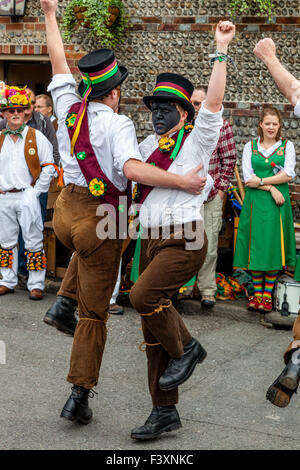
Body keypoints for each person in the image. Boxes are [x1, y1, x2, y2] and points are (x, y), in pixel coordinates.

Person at [41, 0, 207, 426]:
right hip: (99, 219)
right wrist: (184, 182)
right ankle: (78, 396)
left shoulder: (64, 102)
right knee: (94, 314)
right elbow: (132, 170)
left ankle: (61, 303)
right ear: (114, 92)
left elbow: (58, 59)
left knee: (96, 238)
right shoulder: (118, 125)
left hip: (64, 210)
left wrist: (49, 15)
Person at [128, 21, 235, 440]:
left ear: (184, 112)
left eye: (166, 107)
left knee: (142, 296)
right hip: (151, 240)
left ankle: (189, 347)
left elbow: (215, 102)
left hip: (184, 235)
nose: (156, 113)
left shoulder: (197, 140)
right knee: (152, 328)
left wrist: (220, 49)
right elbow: (132, 169)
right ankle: (164, 411)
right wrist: (169, 178)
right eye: (153, 106)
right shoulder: (144, 146)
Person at [253, 37, 300, 408]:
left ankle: (298, 357)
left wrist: (269, 57)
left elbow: (295, 90)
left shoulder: (286, 146)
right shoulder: (251, 146)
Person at [233, 105, 296, 313]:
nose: (271, 127)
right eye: (267, 123)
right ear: (260, 124)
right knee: (256, 247)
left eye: (274, 124)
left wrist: (260, 180)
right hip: (256, 202)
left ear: (280, 126)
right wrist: (270, 186)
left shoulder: (287, 146)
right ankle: (256, 294)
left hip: (276, 204)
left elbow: (287, 175)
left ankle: (267, 296)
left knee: (272, 247)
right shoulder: (250, 147)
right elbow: (248, 178)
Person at [0, 87, 60, 286]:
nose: (16, 114)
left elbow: (50, 166)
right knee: (6, 241)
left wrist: (36, 192)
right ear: (5, 113)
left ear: (26, 111)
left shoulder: (36, 136)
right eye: (11, 110)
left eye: (19, 110)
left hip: (28, 195)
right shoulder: (0, 139)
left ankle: (36, 284)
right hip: (5, 196)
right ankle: (8, 281)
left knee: (33, 240)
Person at [188, 85, 237, 308]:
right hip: (187, 196)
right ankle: (185, 286)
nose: (194, 108)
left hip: (210, 197)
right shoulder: (185, 125)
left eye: (199, 104)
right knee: (186, 243)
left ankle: (207, 289)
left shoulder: (221, 126)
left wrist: (220, 189)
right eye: (192, 103)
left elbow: (229, 159)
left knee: (209, 244)